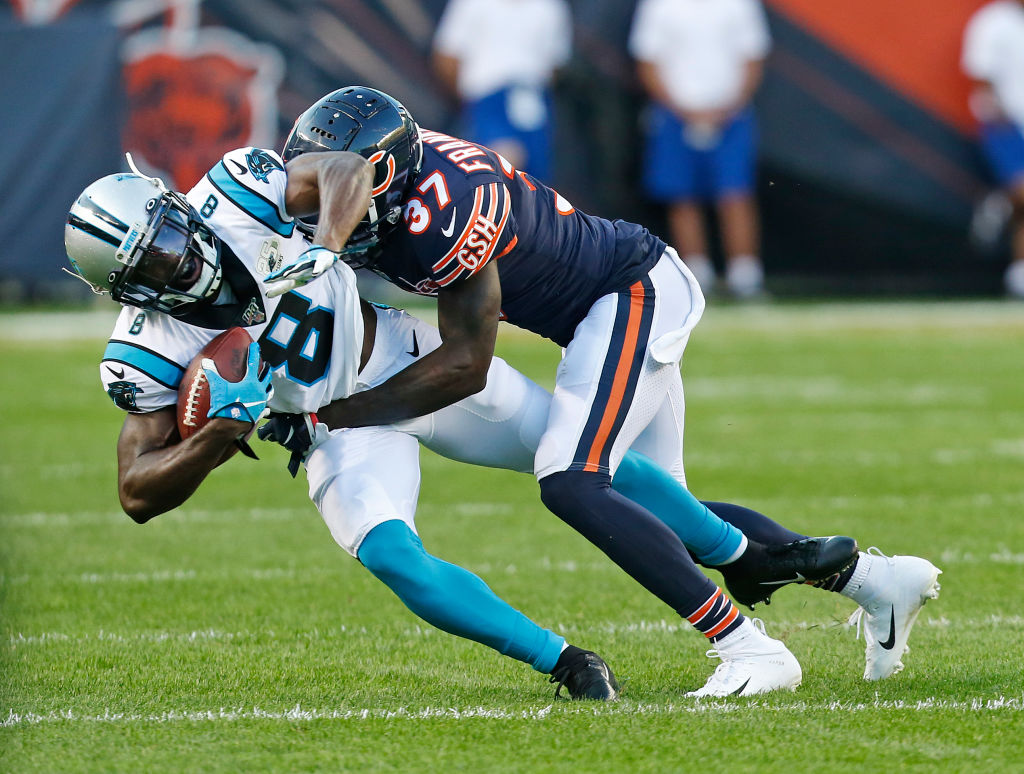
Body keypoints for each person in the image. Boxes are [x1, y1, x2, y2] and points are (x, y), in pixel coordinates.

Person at [65, 145, 857, 701]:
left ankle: (752, 556)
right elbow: (137, 492)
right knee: (394, 557)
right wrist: (217, 433)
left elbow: (344, 170)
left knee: (583, 466)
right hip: (330, 428)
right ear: (130, 292)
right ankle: (568, 663)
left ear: (177, 206)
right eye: (154, 264)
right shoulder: (145, 351)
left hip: (404, 363)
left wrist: (325, 249)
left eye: (170, 233)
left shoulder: (238, 190)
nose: (179, 258)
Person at [264, 86, 942, 688]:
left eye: (338, 185)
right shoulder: (396, 179)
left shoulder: (442, 210)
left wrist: (337, 414)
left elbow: (466, 364)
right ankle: (877, 582)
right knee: (660, 512)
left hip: (629, 294)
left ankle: (746, 648)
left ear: (382, 176)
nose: (322, 204)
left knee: (571, 479)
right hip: (600, 312)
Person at [627, 0, 770, 299]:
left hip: (731, 114)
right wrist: (681, 109)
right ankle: (696, 274)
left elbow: (753, 56)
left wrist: (729, 106)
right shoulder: (660, 6)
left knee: (734, 191)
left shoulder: (739, 5)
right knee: (681, 195)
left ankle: (745, 275)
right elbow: (648, 60)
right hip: (675, 114)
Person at [432, 0, 571, 181]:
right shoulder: (472, 4)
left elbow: (555, 65)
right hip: (487, 95)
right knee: (495, 168)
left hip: (533, 101)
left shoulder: (551, 8)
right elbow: (446, 58)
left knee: (532, 183)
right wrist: (468, 99)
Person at [962, 0, 1024, 298]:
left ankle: (1019, 274)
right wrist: (996, 116)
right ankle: (1001, 203)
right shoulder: (993, 21)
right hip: (1005, 125)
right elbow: (980, 76)